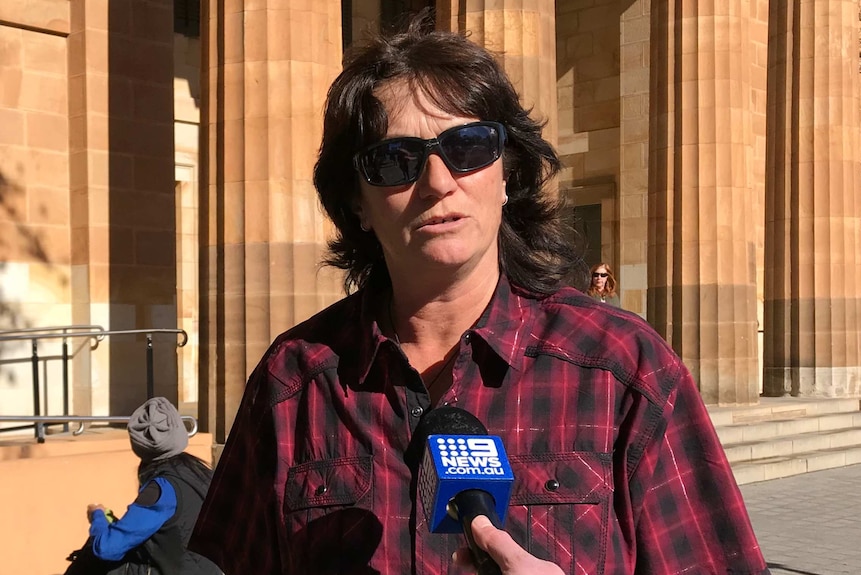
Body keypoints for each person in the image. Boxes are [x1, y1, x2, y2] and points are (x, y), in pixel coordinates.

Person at [189, 12, 769, 575]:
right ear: (358, 205)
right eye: (396, 160)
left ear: (507, 172)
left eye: (467, 146)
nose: (438, 182)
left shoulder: (623, 371)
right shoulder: (294, 381)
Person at [73, 397, 221, 575]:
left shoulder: (160, 490)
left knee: (93, 557)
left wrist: (97, 517)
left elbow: (107, 548)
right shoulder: (202, 473)